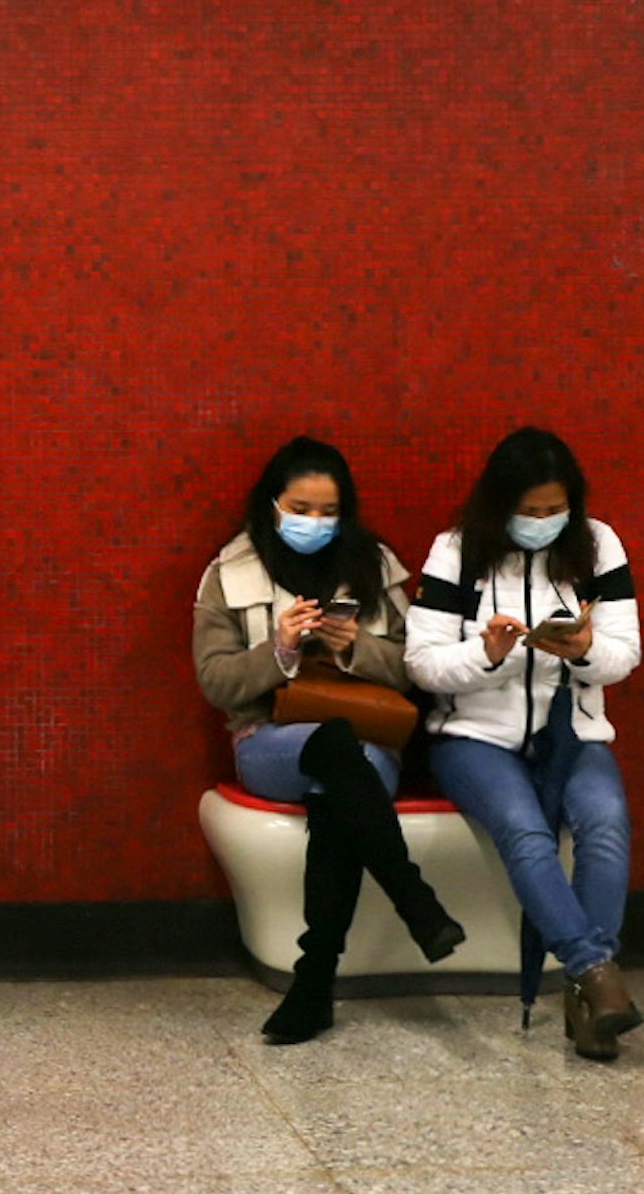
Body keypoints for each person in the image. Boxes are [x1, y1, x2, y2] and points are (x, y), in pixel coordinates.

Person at [193, 436, 465, 1043]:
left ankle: (314, 983)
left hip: (370, 745)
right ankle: (414, 899)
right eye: (301, 508)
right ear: (272, 505)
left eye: (328, 512)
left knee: (338, 787)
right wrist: (280, 649)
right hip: (269, 742)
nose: (315, 523)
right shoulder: (229, 574)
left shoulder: (377, 566)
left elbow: (420, 670)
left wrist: (358, 649)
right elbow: (216, 682)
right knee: (335, 751)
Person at [404, 427, 644, 1061]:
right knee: (526, 829)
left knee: (606, 822)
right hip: (473, 737)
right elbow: (423, 664)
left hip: (573, 729)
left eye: (554, 511)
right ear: (499, 504)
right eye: (528, 511)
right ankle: (595, 971)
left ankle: (588, 997)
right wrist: (488, 656)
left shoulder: (598, 546)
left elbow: (625, 655)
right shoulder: (455, 551)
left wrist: (585, 649)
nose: (542, 522)